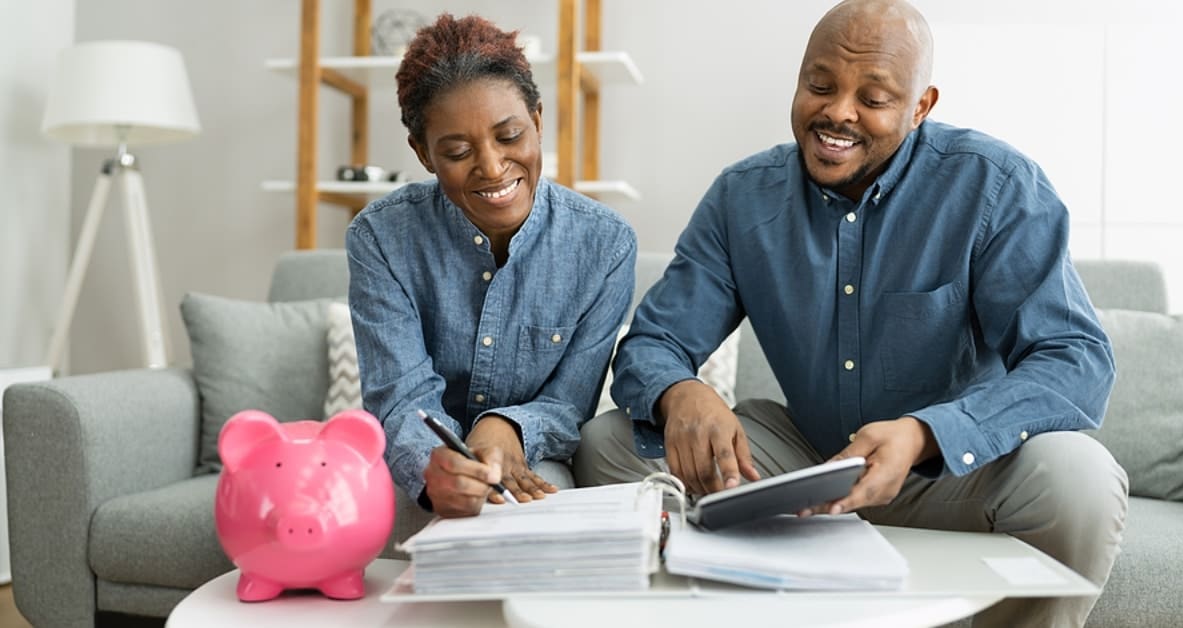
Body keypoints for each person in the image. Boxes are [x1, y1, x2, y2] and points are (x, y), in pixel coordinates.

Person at [572, 1, 1127, 625]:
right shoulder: (740, 198)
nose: (838, 111)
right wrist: (680, 391)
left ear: (921, 107)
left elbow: (1074, 359)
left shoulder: (995, 186)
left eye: (875, 96)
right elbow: (654, 342)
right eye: (820, 85)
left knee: (1079, 480)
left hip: (947, 470)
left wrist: (925, 433)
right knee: (609, 444)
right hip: (806, 460)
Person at [347, 14, 636, 519]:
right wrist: (431, 464)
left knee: (520, 515)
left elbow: (569, 404)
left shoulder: (605, 246)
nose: (492, 166)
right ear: (423, 153)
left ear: (538, 121)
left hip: (531, 457)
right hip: (418, 459)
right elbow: (399, 398)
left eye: (509, 136)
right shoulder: (380, 237)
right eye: (458, 152)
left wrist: (505, 427)